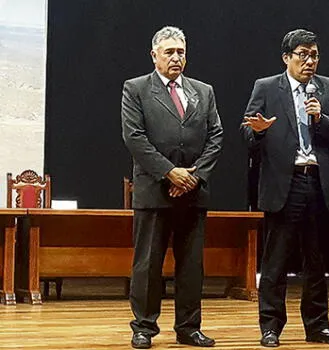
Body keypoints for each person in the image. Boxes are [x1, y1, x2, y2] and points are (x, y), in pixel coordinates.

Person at [241, 28, 329, 348]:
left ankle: (318, 326)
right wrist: (258, 132)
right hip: (282, 182)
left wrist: (320, 119)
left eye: (314, 55)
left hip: (317, 181)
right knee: (276, 260)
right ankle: (271, 327)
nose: (309, 61)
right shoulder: (266, 87)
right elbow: (246, 134)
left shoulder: (328, 88)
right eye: (302, 55)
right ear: (286, 58)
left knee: (316, 261)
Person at [121, 26, 223, 349]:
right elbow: (134, 138)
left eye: (181, 51)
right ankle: (144, 328)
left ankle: (189, 327)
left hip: (192, 193)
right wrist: (170, 173)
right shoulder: (136, 89)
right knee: (148, 265)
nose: (176, 57)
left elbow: (216, 136)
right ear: (154, 56)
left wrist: (193, 176)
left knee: (192, 266)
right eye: (169, 52)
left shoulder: (203, 91)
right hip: (154, 192)